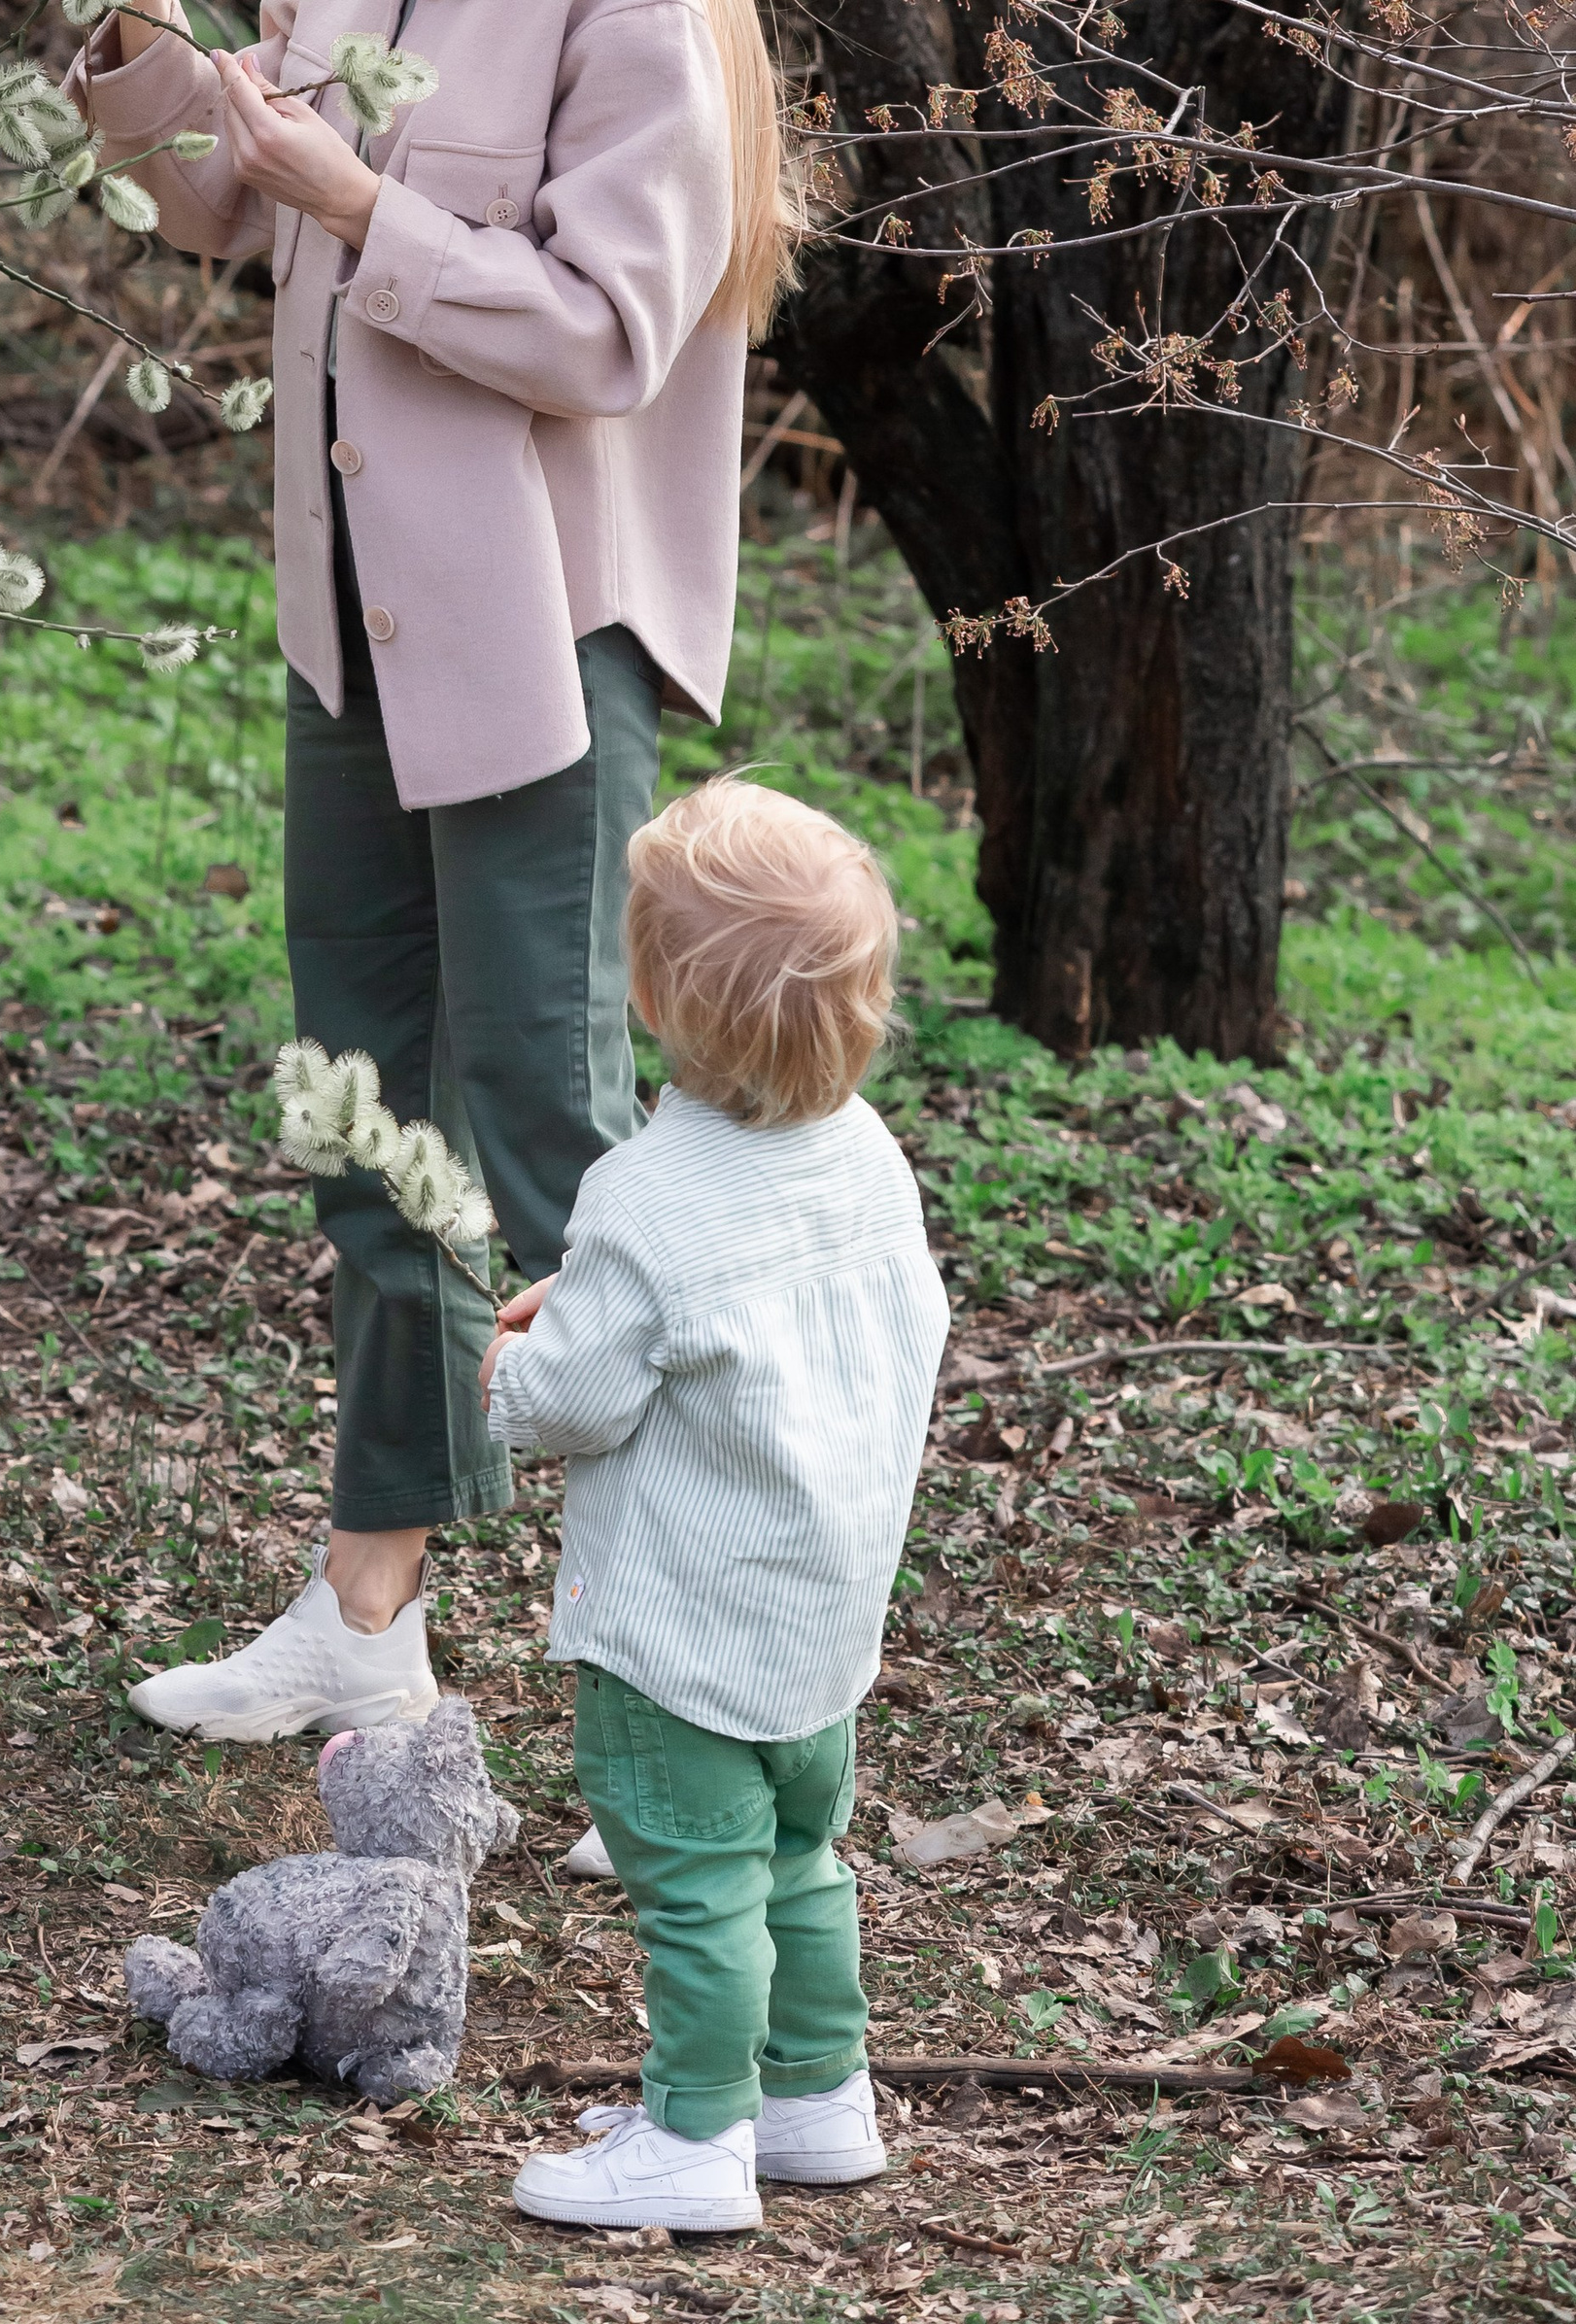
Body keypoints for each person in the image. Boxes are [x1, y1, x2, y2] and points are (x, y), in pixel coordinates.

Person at [53, 0, 799, 1776]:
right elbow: (214, 204)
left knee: (558, 1143)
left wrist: (360, 196)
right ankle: (370, 1609)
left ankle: (690, 1681)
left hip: (541, 633)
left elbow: (596, 329)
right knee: (363, 1107)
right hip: (348, 617)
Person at [484, 777, 946, 2236]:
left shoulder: (647, 1192)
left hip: (679, 1641)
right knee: (800, 1861)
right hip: (818, 1624)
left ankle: (693, 2136)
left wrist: (505, 1361)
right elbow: (832, 1325)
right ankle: (820, 2097)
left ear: (655, 996)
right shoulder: (866, 1158)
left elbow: (573, 1403)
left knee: (697, 1893)